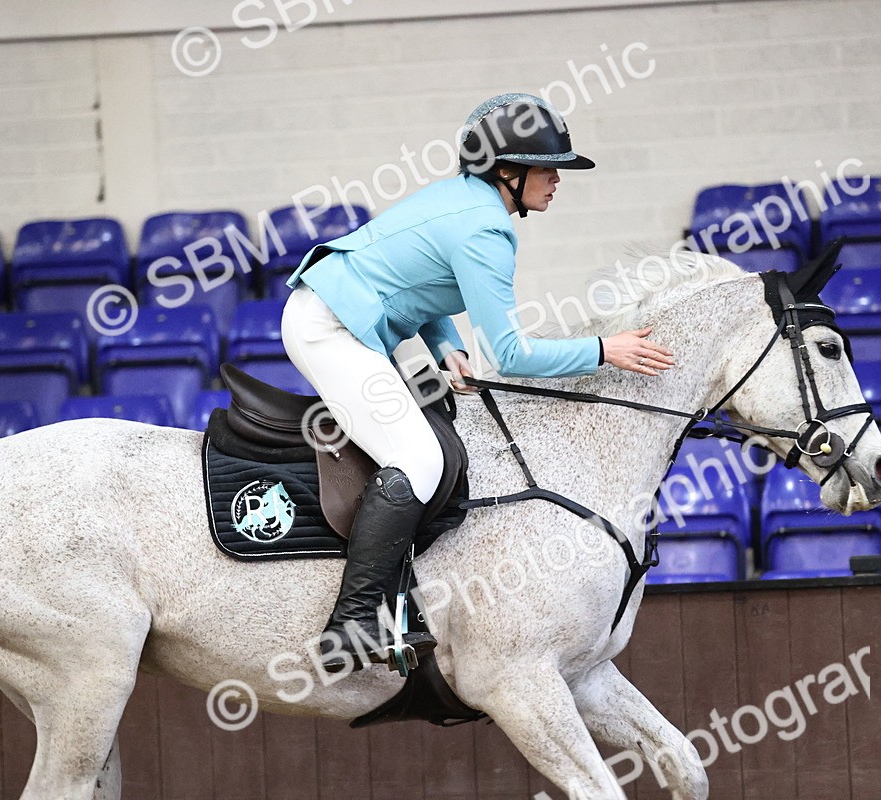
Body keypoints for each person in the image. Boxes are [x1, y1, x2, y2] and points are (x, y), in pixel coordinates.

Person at [282, 93, 674, 672]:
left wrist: (448, 348)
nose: (556, 180)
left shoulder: (461, 200)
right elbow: (513, 353)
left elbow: (417, 286)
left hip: (338, 316)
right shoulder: (485, 230)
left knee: (435, 444)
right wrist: (604, 350)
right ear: (507, 172)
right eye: (547, 168)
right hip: (330, 328)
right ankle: (352, 624)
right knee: (418, 460)